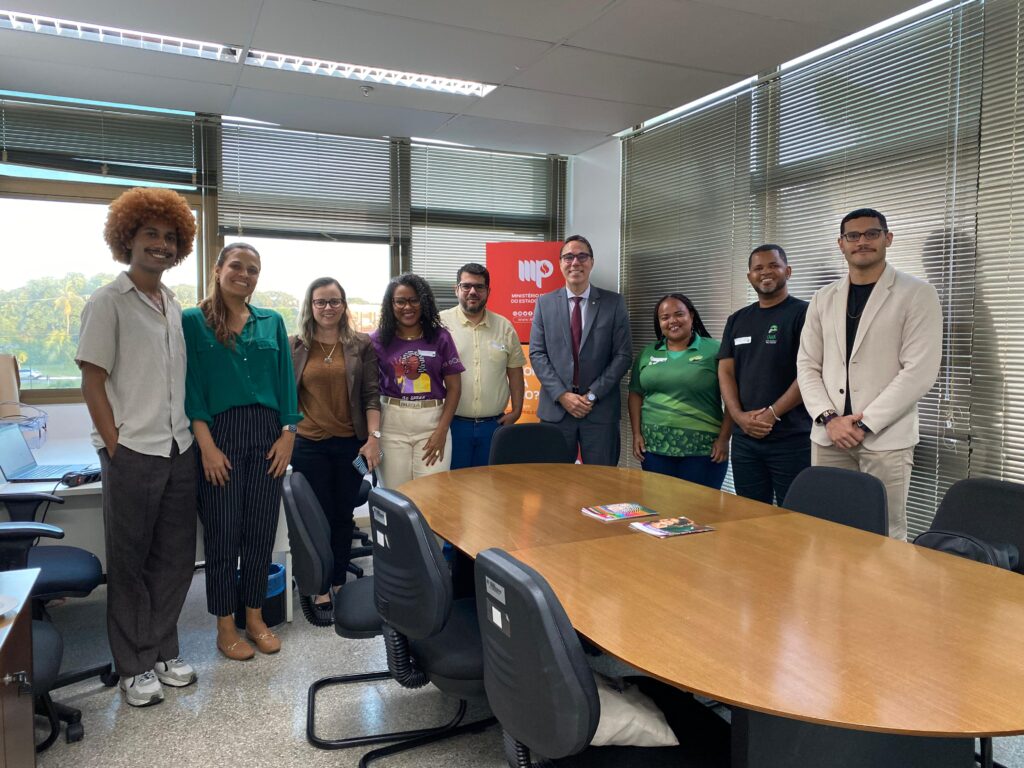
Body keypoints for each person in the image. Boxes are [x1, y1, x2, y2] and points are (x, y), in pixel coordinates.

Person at [76, 187, 199, 707]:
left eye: (170, 237)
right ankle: (133, 665)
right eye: (151, 233)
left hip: (179, 449)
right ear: (127, 238)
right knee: (129, 564)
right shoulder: (108, 302)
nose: (161, 244)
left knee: (175, 560)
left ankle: (163, 650)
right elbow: (91, 381)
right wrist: (116, 445)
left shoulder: (172, 304)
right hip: (133, 452)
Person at [182, 242, 300, 660]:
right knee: (222, 534)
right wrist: (207, 447)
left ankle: (255, 618)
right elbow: (191, 388)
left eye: (253, 269)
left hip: (269, 435)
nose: (244, 274)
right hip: (220, 435)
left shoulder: (272, 321)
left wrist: (289, 434)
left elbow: (286, 383)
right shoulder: (192, 321)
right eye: (236, 265)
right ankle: (225, 625)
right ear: (218, 270)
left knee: (260, 532)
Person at [797, 208, 942, 540]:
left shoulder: (917, 293)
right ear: (841, 243)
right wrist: (829, 418)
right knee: (827, 527)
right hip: (829, 436)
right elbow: (807, 364)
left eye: (871, 233)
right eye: (853, 235)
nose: (862, 241)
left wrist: (863, 423)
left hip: (885, 438)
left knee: (885, 532)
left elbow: (919, 371)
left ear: (887, 238)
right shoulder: (823, 298)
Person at [289, 277, 380, 611]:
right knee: (315, 518)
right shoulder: (295, 345)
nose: (328, 308)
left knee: (342, 515)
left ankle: (338, 579)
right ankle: (318, 583)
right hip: (308, 446)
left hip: (350, 447)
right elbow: (286, 397)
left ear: (343, 305)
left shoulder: (361, 344)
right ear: (310, 306)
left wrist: (373, 439)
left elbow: (372, 395)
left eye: (334, 301)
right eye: (320, 302)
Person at [718, 245, 811, 505]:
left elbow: (810, 372)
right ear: (749, 276)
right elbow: (726, 371)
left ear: (788, 271)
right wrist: (738, 416)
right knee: (749, 513)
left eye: (773, 266)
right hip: (745, 438)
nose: (765, 272)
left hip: (792, 438)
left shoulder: (805, 314)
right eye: (758, 268)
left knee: (795, 514)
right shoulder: (737, 319)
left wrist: (772, 413)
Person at [529, 235, 632, 465]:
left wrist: (592, 395)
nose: (575, 262)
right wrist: (562, 395)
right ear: (560, 264)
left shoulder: (614, 303)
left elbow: (623, 356)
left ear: (591, 262)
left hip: (599, 411)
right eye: (568, 257)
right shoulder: (544, 303)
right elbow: (537, 353)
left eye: (582, 256)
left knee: (602, 481)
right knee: (554, 480)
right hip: (556, 410)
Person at [628, 294, 733, 489]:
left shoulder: (714, 350)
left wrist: (724, 438)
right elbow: (635, 393)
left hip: (704, 451)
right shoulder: (647, 353)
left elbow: (733, 398)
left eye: (679, 314)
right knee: (658, 506)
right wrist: (636, 434)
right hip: (654, 450)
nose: (672, 321)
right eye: (665, 317)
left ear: (691, 316)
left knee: (699, 506)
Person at [370, 273, 463, 488]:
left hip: (432, 424)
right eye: (400, 301)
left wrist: (441, 431)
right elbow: (369, 392)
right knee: (396, 495)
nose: (407, 307)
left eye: (414, 300)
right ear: (391, 304)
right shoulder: (377, 340)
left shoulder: (441, 337)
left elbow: (455, 388)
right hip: (391, 425)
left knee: (431, 495)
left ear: (424, 301)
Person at [440, 263, 525, 469]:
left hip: (493, 427)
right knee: (452, 484)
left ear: (488, 291)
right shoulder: (439, 325)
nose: (473, 292)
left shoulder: (504, 326)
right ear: (456, 289)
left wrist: (517, 410)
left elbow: (515, 372)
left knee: (490, 483)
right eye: (466, 286)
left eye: (479, 287)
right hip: (451, 425)